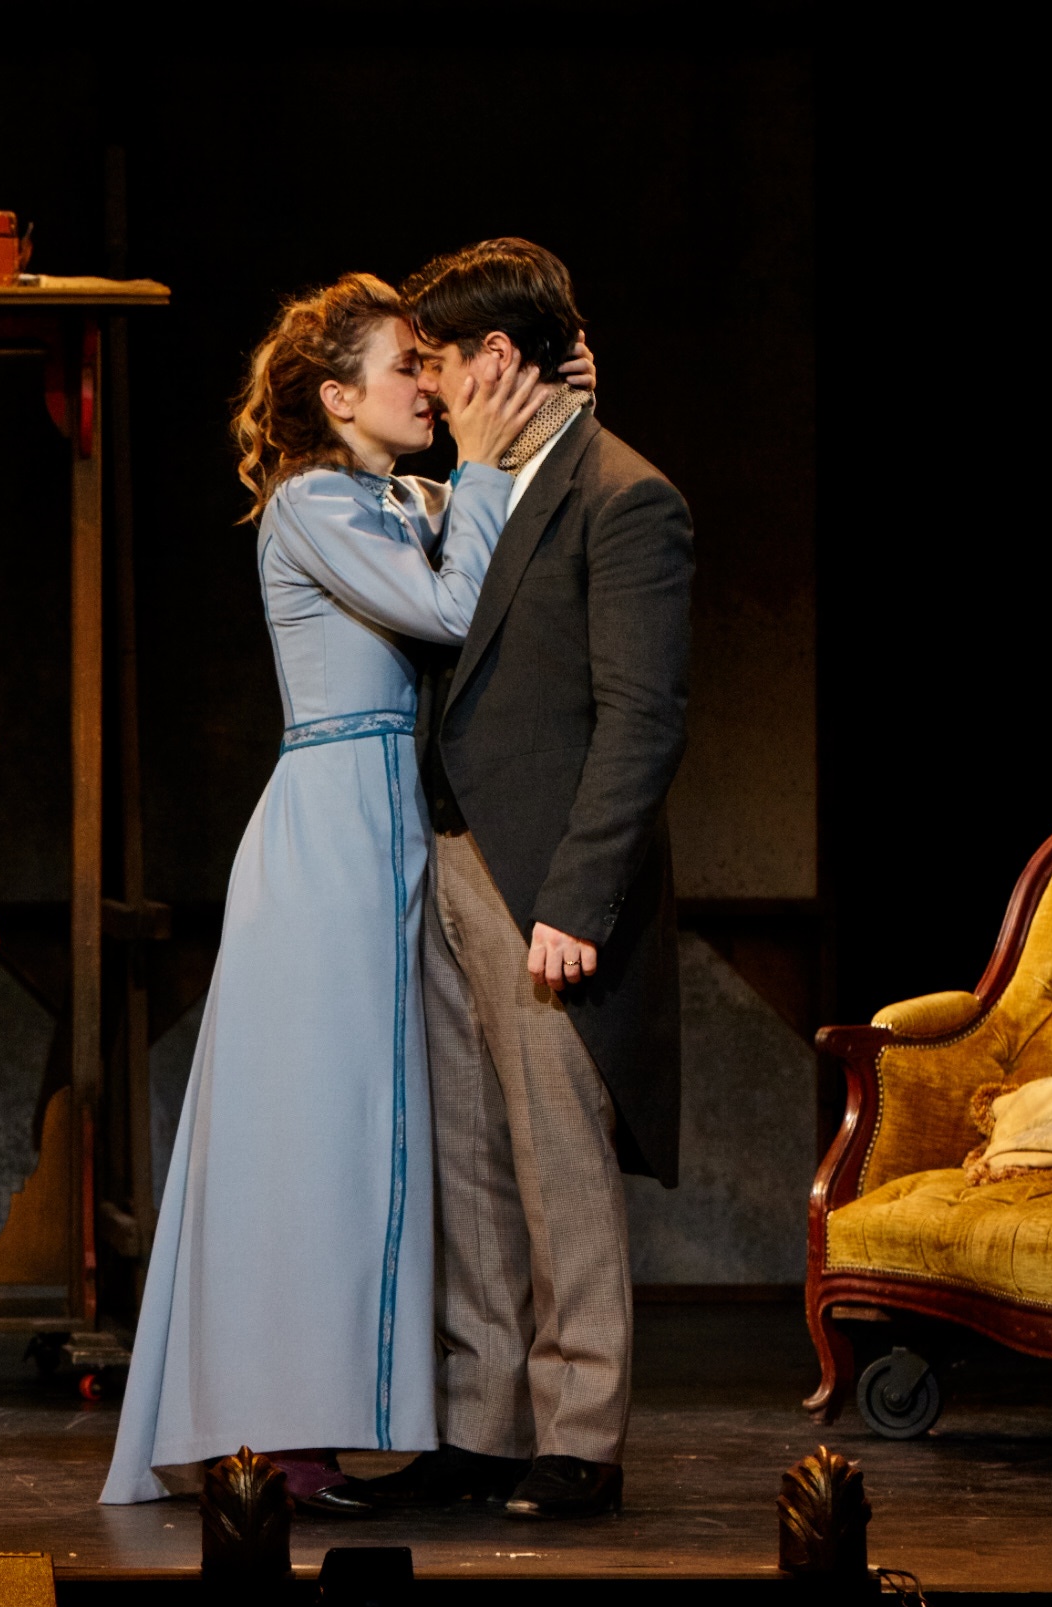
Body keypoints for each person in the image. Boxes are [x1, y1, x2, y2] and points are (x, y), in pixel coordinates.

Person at [99, 273, 577, 1504]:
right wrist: (484, 460)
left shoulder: (400, 495)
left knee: (375, 1133)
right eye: (407, 366)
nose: (428, 386)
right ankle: (267, 1422)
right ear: (337, 397)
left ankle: (326, 1411)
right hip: (329, 827)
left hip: (392, 819)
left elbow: (504, 531)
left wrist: (551, 416)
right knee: (309, 1127)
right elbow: (454, 606)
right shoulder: (311, 502)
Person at [319, 237, 694, 1521]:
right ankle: (482, 1427)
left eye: (434, 358)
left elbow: (641, 720)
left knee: (557, 1159)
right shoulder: (468, 484)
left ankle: (580, 1434)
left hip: (537, 877)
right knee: (469, 1158)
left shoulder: (623, 496)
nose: (421, 383)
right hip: (442, 854)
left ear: (492, 356)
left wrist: (575, 902)